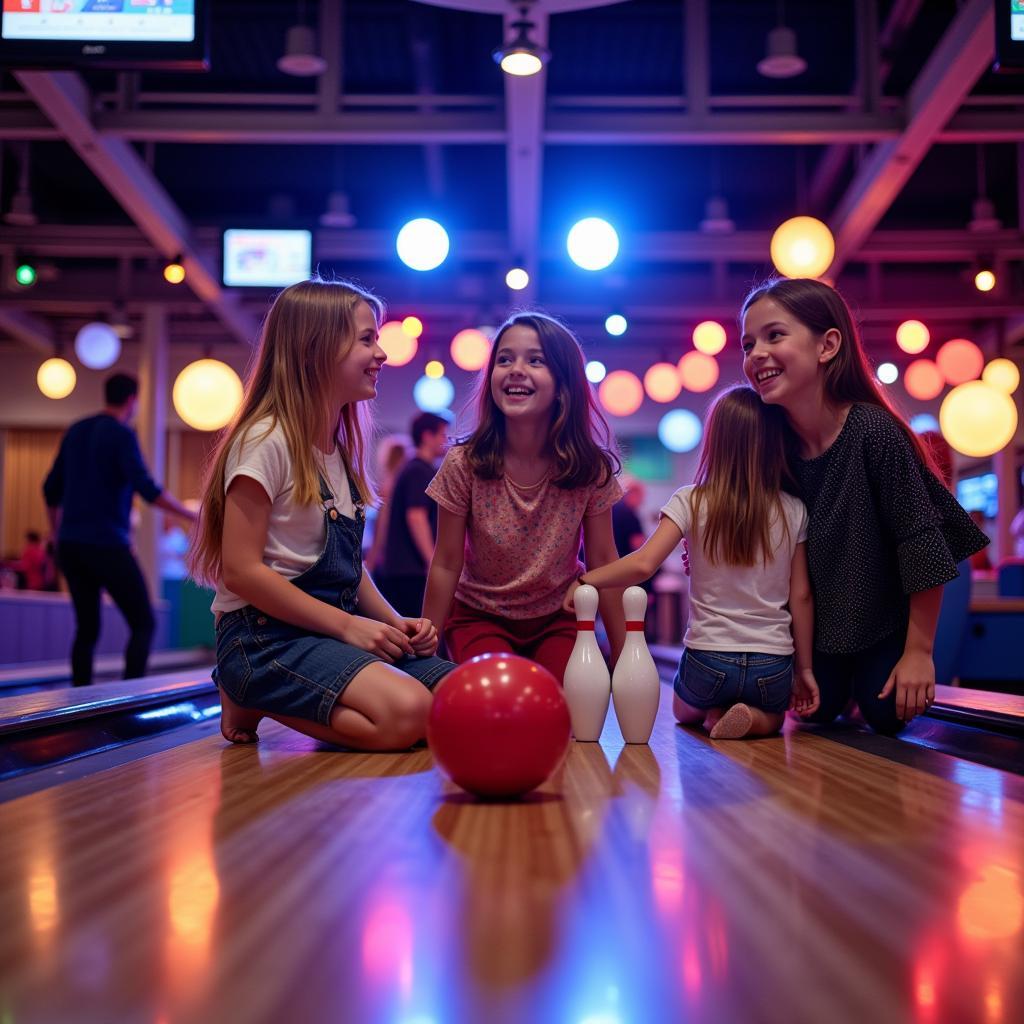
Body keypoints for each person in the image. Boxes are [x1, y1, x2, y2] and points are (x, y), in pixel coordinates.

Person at [189, 278, 454, 750]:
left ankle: (269, 693)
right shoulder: (264, 440)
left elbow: (349, 572)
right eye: (367, 339)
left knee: (457, 698)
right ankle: (247, 688)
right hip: (262, 639)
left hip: (325, 634)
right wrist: (350, 626)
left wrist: (397, 624)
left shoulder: (338, 449)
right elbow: (241, 571)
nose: (382, 355)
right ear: (316, 349)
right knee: (408, 714)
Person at [740, 277, 989, 733]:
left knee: (889, 713)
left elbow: (920, 544)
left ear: (827, 345)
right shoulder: (773, 447)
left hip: (882, 622)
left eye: (774, 335)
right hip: (819, 634)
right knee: (816, 712)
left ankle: (868, 684)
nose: (756, 353)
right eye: (748, 342)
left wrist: (918, 652)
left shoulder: (872, 431)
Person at [564, 385, 820, 740]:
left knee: (683, 713)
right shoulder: (794, 509)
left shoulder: (691, 500)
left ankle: (713, 711)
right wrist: (804, 669)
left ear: (714, 441)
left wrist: (585, 579)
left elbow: (643, 564)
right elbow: (802, 595)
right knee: (777, 717)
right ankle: (753, 719)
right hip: (772, 660)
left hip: (708, 658)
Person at [423, 311, 626, 681]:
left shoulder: (587, 468)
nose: (516, 369)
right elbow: (446, 562)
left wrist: (626, 656)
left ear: (564, 384)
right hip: (479, 615)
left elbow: (603, 560)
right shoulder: (464, 463)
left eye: (535, 360)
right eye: (504, 359)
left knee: (558, 704)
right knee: (502, 693)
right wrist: (426, 657)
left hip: (559, 617)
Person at [43, 372, 196, 686]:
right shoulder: (121, 435)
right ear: (132, 401)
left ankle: (79, 697)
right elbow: (147, 488)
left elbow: (49, 490)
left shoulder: (76, 430)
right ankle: (131, 694)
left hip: (71, 546)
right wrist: (192, 516)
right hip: (107, 544)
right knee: (143, 622)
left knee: (87, 628)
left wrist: (58, 534)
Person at [377, 412, 449, 617]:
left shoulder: (412, 468)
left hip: (404, 568)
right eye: (442, 435)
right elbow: (416, 517)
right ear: (427, 436)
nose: (445, 441)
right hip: (410, 570)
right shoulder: (419, 470)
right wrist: (432, 562)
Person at [364, 436, 408, 572]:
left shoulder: (389, 486)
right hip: (395, 553)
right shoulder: (398, 485)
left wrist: (373, 556)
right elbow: (382, 524)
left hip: (389, 553)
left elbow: (382, 525)